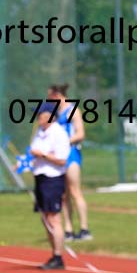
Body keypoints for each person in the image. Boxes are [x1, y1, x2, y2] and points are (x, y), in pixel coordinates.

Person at [30, 102, 71, 270]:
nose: (38, 118)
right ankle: (54, 253)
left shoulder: (58, 133)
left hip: (53, 179)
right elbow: (33, 152)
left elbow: (61, 159)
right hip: (40, 177)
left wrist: (44, 155)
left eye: (40, 114)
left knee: (54, 218)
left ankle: (58, 256)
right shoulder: (40, 132)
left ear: (50, 116)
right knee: (45, 218)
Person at [48, 83, 91, 242]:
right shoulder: (54, 113)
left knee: (75, 191)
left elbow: (80, 134)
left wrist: (64, 141)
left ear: (57, 95)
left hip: (71, 154)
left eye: (50, 97)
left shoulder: (72, 110)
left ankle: (84, 228)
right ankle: (68, 229)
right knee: (63, 195)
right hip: (58, 156)